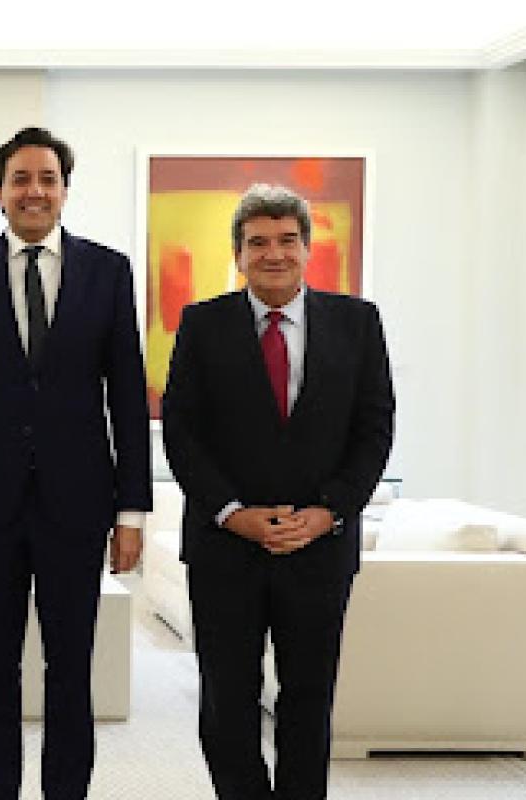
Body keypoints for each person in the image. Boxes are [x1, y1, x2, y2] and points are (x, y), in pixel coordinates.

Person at [0, 126, 152, 800]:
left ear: (64, 191)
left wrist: (131, 510)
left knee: (69, 669)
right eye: (20, 179)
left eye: (47, 179)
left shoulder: (108, 272)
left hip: (77, 506)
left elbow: (127, 396)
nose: (34, 191)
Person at [162, 183, 394, 800]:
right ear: (238, 254)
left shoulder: (358, 323)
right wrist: (232, 513)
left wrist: (328, 512)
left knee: (309, 701)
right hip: (226, 550)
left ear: (306, 249)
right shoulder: (201, 324)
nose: (273, 254)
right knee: (226, 704)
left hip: (319, 548)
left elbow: (375, 429)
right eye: (257, 243)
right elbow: (181, 432)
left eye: (287, 241)